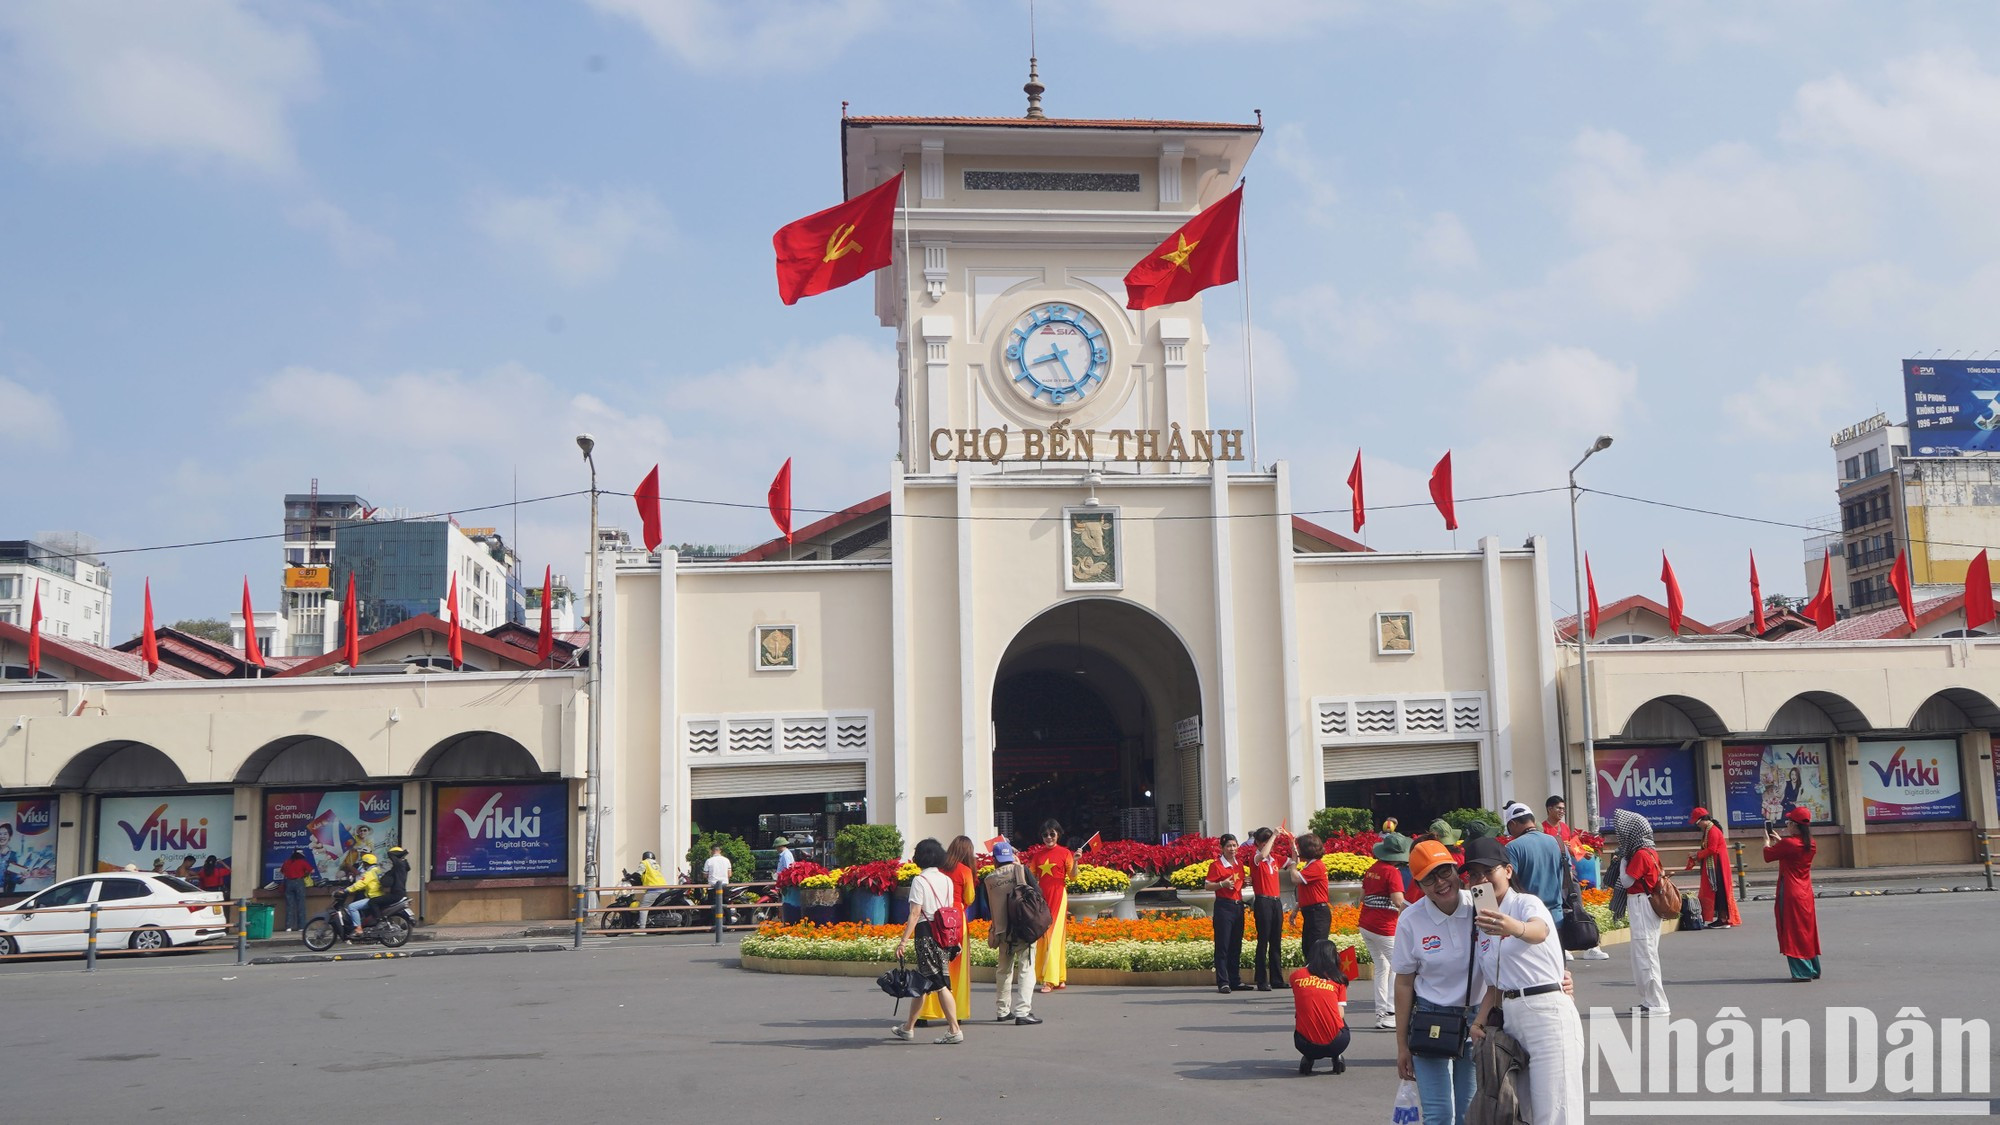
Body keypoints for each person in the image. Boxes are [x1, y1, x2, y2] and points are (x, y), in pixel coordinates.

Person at [1464, 836, 1585, 1125]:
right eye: (1474, 874)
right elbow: (1495, 983)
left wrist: (1513, 927)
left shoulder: (1525, 903)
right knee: (1526, 1112)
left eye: (1488, 871)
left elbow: (1539, 930)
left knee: (1557, 1111)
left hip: (1546, 1012)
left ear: (1507, 871)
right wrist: (1479, 1022)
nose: (1481, 879)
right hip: (1511, 1018)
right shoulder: (1482, 919)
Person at [1392, 839, 1482, 1125]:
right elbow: (1404, 984)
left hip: (1478, 1019)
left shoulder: (1481, 903)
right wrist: (1402, 1045)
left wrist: (1558, 978)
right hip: (1431, 1019)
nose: (1441, 883)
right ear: (1418, 885)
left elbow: (1513, 949)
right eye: (1429, 878)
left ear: (1457, 870)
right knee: (1439, 1115)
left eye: (1445, 872)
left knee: (1469, 1113)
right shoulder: (1411, 919)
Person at [891, 837, 965, 1044]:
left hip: (926, 933)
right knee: (923, 981)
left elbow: (915, 913)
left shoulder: (920, 881)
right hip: (945, 933)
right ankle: (908, 1027)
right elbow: (950, 910)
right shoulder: (947, 880)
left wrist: (903, 941)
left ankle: (954, 1029)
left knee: (939, 983)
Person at [1611, 809, 1670, 1016]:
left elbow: (1627, 881)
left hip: (1641, 904)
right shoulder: (1649, 851)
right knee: (1643, 953)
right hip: (1643, 904)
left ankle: (1658, 1003)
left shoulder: (1641, 854)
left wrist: (1623, 862)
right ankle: (1649, 1000)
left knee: (1646, 954)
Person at [917, 836, 977, 1025]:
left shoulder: (937, 870)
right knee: (957, 970)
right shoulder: (965, 871)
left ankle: (925, 1013)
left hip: (934, 919)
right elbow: (970, 897)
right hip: (955, 920)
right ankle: (956, 1011)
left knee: (931, 967)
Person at [983, 840, 1040, 1024]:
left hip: (1002, 932)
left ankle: (1002, 1010)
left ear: (995, 860)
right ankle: (1023, 1012)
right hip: (1024, 929)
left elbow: (988, 906)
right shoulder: (1021, 870)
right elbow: (1038, 895)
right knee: (1026, 969)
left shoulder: (988, 880)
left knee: (1003, 971)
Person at [1360, 831, 1411, 1029]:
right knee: (1399, 967)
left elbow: (1363, 895)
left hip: (1367, 924)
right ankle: (1391, 1012)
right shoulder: (1392, 872)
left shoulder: (1373, 868)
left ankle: (1381, 1012)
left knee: (1382, 968)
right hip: (1385, 927)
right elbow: (1398, 900)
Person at [1763, 807, 1821, 981]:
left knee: (1792, 930)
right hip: (1805, 891)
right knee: (1807, 929)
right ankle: (1813, 967)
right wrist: (1781, 841)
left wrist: (1767, 842)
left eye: (1788, 823)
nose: (1787, 825)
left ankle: (1802, 971)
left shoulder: (1789, 844)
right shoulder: (1810, 842)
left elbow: (1768, 855)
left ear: (1795, 826)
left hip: (1790, 890)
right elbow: (1792, 850)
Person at [1500, 801, 1570, 935]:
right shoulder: (1558, 843)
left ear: (1513, 824)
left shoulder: (1512, 847)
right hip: (1556, 918)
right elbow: (1569, 878)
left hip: (1528, 918)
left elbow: (1507, 883)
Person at [1290, 939, 1351, 1075]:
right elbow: (1340, 1013)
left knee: (1305, 1013)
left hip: (1304, 1044)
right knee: (1338, 1017)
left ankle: (1309, 1057)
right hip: (1337, 1043)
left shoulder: (1296, 976)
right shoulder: (1338, 978)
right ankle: (1337, 1056)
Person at [1031, 819, 1076, 994]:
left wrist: (1077, 861)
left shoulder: (1065, 853)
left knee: (1053, 936)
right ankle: (1060, 977)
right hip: (1043, 899)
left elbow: (1072, 877)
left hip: (1058, 896)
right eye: (1045, 835)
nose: (1048, 837)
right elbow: (1031, 876)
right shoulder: (1037, 856)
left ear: (1058, 834)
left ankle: (1049, 980)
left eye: (1052, 834)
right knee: (1045, 936)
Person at [1683, 808, 1740, 928]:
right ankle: (1721, 918)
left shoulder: (1713, 831)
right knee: (1718, 891)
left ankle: (1723, 919)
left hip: (1717, 864)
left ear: (1703, 820)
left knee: (1720, 891)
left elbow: (1712, 849)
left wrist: (1697, 854)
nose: (1697, 825)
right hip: (1715, 863)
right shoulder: (1709, 830)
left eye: (1697, 823)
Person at [1206, 833, 1247, 993]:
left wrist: (1245, 883)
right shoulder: (1216, 865)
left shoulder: (1239, 864)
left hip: (1238, 905)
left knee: (1236, 945)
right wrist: (1221, 884)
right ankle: (1223, 981)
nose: (1232, 849)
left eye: (1234, 845)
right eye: (1229, 846)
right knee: (1223, 945)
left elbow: (1237, 883)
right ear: (1222, 848)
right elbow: (1208, 886)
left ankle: (1235, 980)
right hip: (1224, 907)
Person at [1294, 832, 1331, 962]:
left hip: (1317, 912)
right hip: (1311, 911)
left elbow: (1295, 878)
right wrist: (1296, 909)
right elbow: (1308, 891)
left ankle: (1318, 978)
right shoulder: (1310, 865)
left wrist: (1293, 862)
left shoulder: (1316, 866)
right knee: (1308, 947)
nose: (1297, 850)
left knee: (1316, 949)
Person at [342, 853, 382, 938]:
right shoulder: (378, 870)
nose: (362, 865)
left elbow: (361, 883)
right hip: (379, 896)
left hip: (373, 897)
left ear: (366, 863)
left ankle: (358, 929)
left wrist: (347, 890)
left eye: (363, 863)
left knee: (352, 907)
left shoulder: (369, 872)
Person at [279, 848, 313, 932]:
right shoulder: (302, 862)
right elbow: (311, 871)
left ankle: (288, 927)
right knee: (301, 904)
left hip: (288, 883)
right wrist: (304, 874)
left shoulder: (286, 862)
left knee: (289, 905)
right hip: (299, 882)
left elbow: (282, 871)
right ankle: (301, 927)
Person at [703, 843, 732, 929]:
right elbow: (729, 874)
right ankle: (729, 924)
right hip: (724, 885)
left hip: (713, 886)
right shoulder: (726, 860)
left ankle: (715, 925)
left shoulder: (709, 861)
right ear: (720, 851)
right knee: (726, 904)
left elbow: (705, 875)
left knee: (713, 906)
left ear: (712, 851)